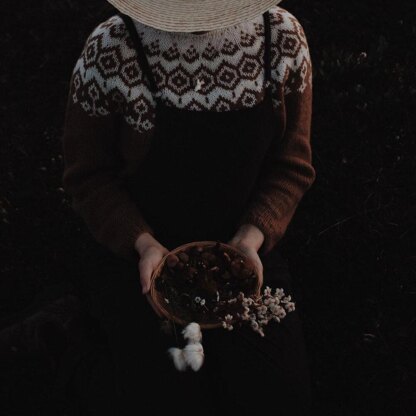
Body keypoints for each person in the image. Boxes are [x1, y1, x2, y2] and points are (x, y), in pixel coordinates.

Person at [60, 0, 316, 414]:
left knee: (278, 396)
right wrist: (141, 244)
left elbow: (292, 164)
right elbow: (88, 176)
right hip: (139, 262)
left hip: (244, 256)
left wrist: (250, 240)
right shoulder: (112, 48)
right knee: (167, 396)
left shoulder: (280, 39)